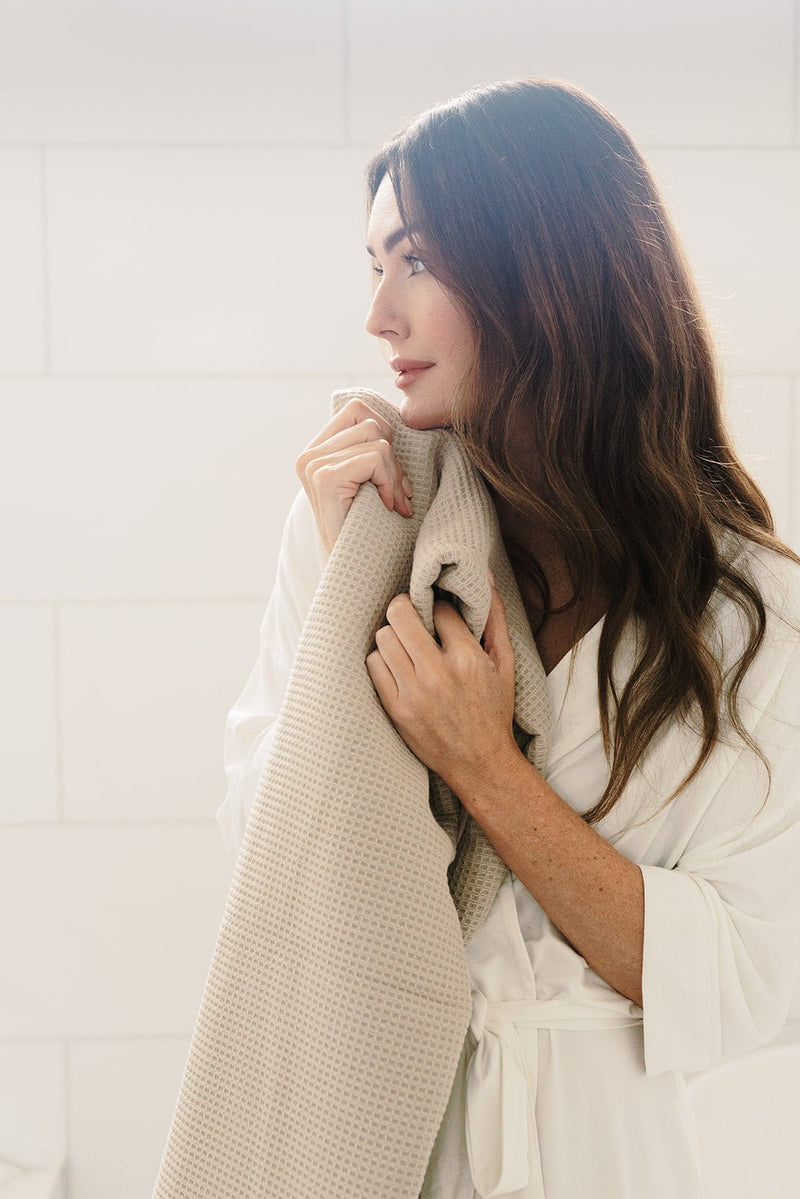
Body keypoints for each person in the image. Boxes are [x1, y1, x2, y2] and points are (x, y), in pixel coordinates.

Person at [216, 78, 800, 1198]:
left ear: (549, 270)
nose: (378, 316)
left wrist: (486, 765)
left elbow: (733, 986)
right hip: (389, 1130)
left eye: (418, 261)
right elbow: (269, 864)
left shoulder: (752, 613)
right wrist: (353, 603)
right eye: (373, 264)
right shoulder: (359, 516)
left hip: (614, 1157)